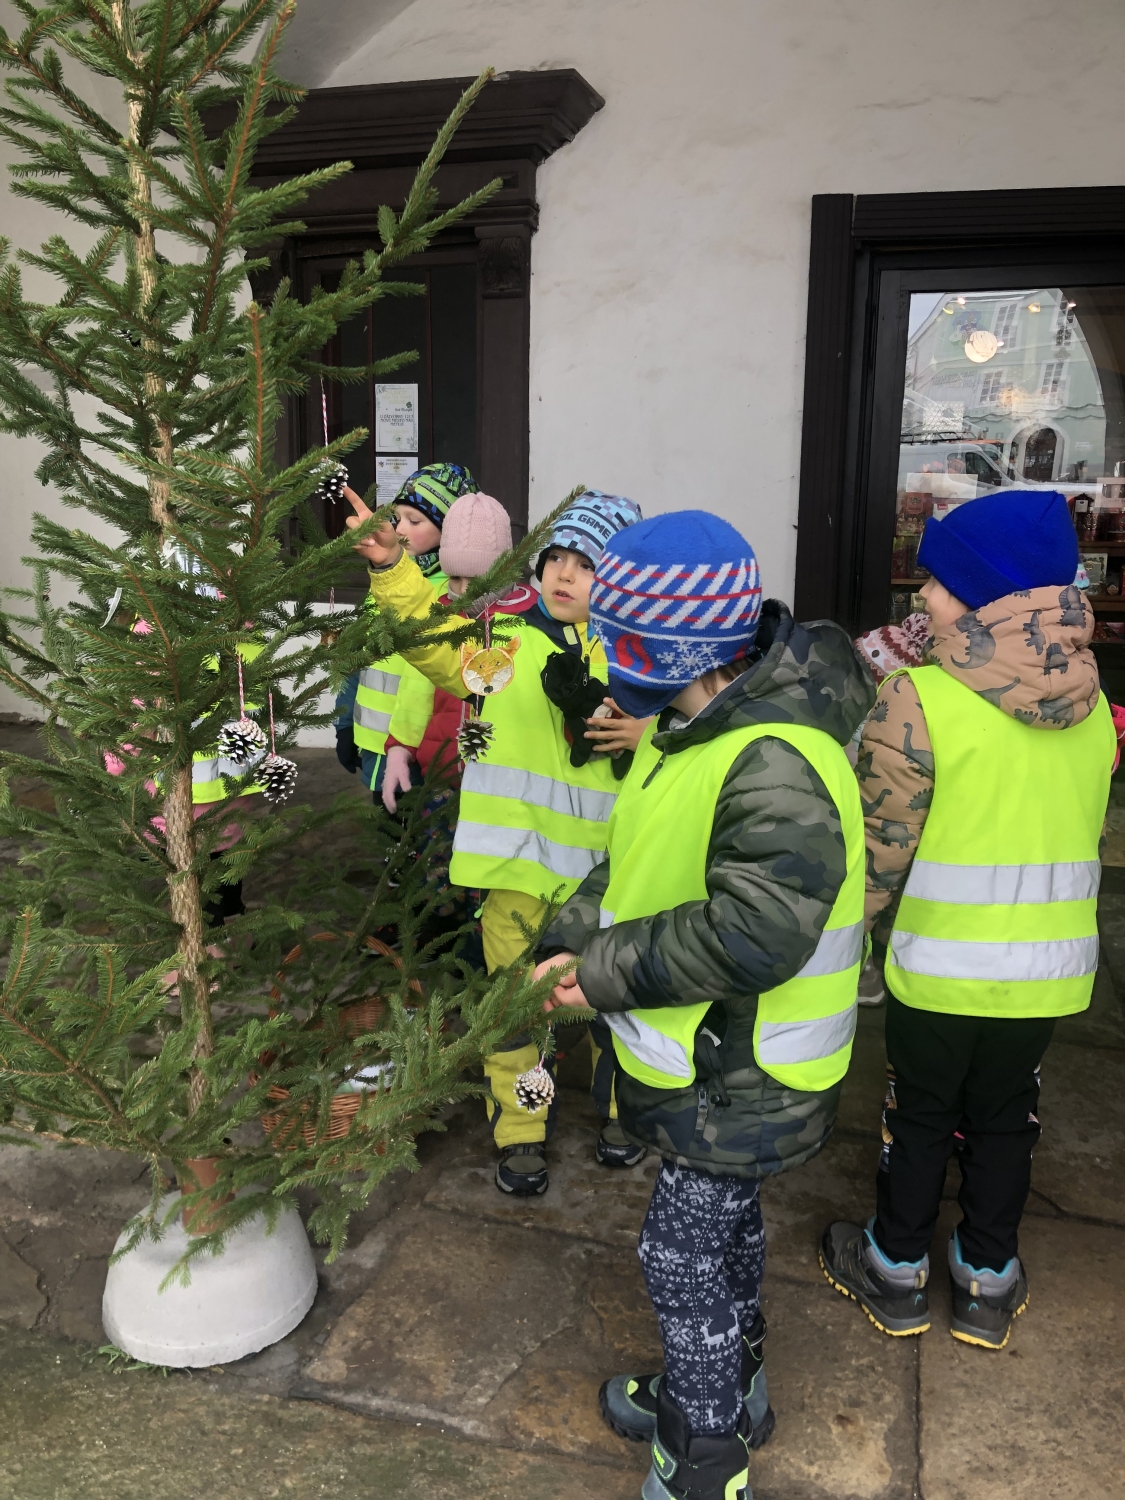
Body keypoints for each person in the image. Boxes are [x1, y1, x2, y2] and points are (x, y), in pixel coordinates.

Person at [533, 511, 875, 1500]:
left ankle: (706, 1454)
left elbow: (755, 932)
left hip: (746, 1071)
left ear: (666, 649)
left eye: (616, 637)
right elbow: (636, 857)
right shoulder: (690, 728)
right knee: (724, 1231)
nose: (603, 657)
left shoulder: (775, 759)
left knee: (677, 1256)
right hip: (710, 1063)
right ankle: (731, 1385)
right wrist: (569, 933)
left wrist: (603, 969)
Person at [820, 490, 1115, 1352]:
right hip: (1047, 972)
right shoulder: (1092, 705)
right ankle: (986, 1277)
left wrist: (836, 945)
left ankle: (895, 1267)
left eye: (939, 582)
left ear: (986, 598)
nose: (922, 596)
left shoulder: (918, 699)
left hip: (940, 968)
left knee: (918, 1113)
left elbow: (879, 849)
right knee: (1006, 1116)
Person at [344, 485, 650, 1195]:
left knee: (616, 1004)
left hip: (609, 880)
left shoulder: (636, 659)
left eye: (587, 564)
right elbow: (429, 641)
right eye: (557, 558)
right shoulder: (498, 640)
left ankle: (624, 1114)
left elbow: (686, 739)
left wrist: (645, 732)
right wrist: (392, 569)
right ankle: (520, 1131)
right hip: (515, 871)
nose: (565, 574)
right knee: (511, 1010)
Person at [335, 463, 475, 799]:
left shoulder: (449, 594)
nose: (400, 530)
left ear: (448, 530)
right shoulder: (385, 582)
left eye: (416, 521)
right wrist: (344, 723)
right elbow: (359, 658)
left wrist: (409, 745)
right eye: (397, 519)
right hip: (371, 740)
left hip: (417, 748)